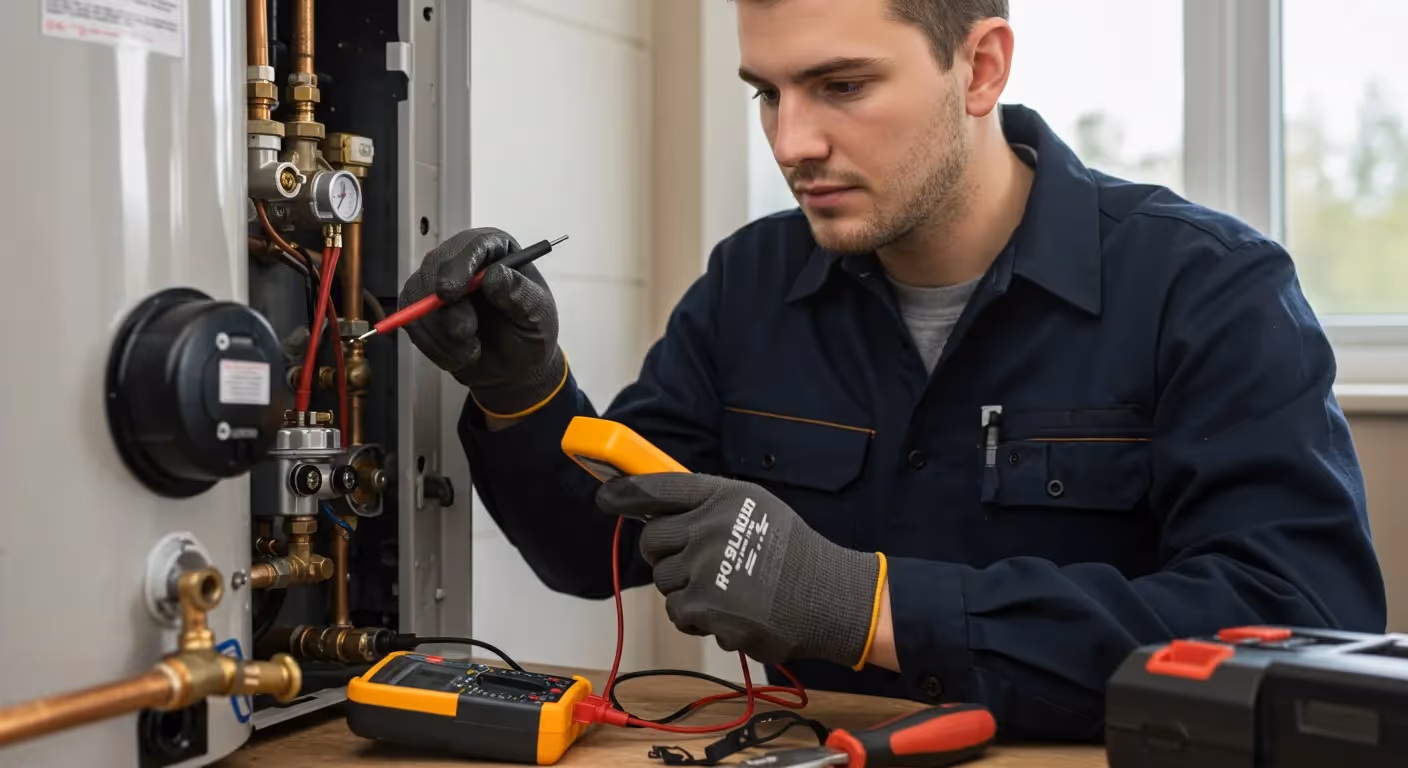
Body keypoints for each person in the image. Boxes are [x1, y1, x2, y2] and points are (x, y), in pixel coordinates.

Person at [397, 0, 1387, 740]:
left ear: (980, 67)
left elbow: (1303, 627)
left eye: (841, 86)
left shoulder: (1208, 287)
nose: (792, 143)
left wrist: (867, 607)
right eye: (766, 95)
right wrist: (520, 391)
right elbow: (594, 550)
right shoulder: (751, 281)